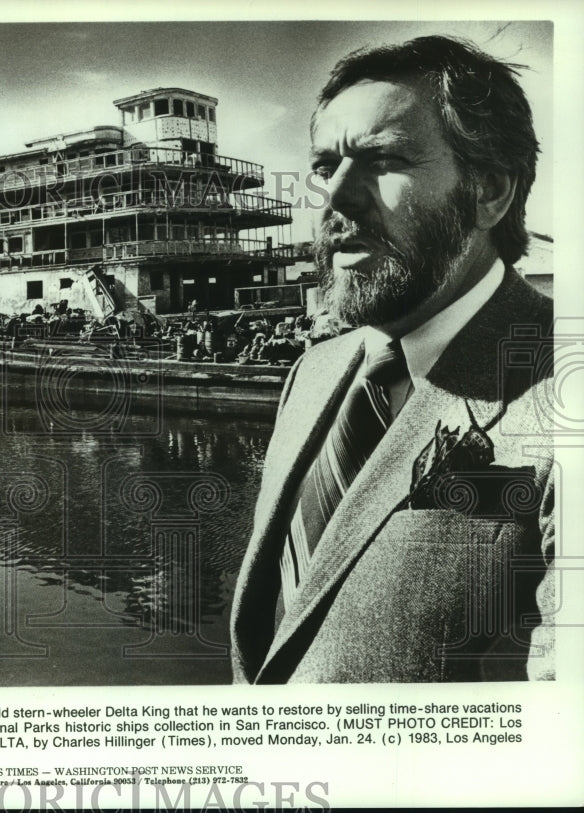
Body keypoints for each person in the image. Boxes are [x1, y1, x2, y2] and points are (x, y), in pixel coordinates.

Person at [230, 35, 554, 683]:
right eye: (325, 166)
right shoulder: (313, 373)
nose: (336, 198)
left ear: (489, 191)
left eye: (381, 160)